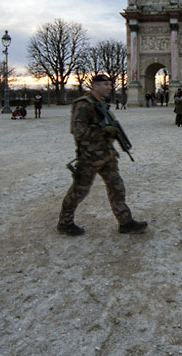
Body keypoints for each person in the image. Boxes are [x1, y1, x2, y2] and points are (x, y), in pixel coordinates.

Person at [58, 74, 146, 236]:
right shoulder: (83, 105)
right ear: (95, 86)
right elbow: (78, 132)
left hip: (106, 156)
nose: (109, 87)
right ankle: (65, 222)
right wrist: (103, 130)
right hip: (89, 157)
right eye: (105, 84)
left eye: (110, 85)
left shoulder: (102, 105)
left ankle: (125, 222)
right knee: (79, 191)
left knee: (117, 188)